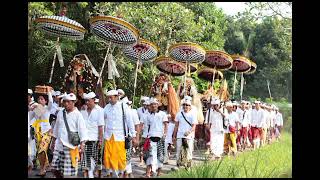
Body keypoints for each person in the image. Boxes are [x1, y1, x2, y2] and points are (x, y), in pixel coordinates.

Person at [50, 93, 88, 178]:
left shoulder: (78, 115)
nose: (66, 104)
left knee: (69, 173)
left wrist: (82, 144)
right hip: (59, 145)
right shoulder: (60, 112)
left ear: (73, 102)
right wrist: (53, 142)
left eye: (68, 102)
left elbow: (82, 130)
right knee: (54, 168)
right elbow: (56, 127)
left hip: (70, 146)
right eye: (65, 102)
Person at [103, 89, 137, 178]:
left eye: (111, 98)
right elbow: (101, 119)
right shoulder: (106, 107)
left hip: (120, 137)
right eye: (108, 98)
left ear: (117, 97)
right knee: (108, 158)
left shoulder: (123, 106)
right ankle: (112, 174)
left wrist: (133, 135)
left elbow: (130, 121)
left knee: (120, 158)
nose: (109, 99)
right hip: (108, 137)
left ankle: (120, 174)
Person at [29, 87, 54, 176]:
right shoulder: (36, 108)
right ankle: (42, 170)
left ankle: (44, 167)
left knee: (42, 150)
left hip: (47, 131)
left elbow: (51, 102)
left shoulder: (48, 108)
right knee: (39, 152)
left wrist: (49, 92)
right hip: (38, 132)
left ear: (45, 101)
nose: (40, 100)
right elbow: (31, 116)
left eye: (42, 99)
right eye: (39, 99)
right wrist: (31, 107)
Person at [80, 92, 104, 178]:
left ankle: (92, 174)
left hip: (95, 139)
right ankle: (89, 175)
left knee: (95, 160)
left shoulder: (100, 110)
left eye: (88, 101)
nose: (87, 103)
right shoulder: (82, 111)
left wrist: (100, 140)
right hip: (84, 139)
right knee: (85, 160)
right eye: (85, 101)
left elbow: (101, 126)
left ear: (94, 100)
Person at [145, 98, 168, 177]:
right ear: (150, 106)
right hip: (151, 137)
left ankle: (158, 173)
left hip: (160, 137)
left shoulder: (162, 114)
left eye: (155, 104)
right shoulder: (148, 115)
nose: (153, 105)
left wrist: (165, 134)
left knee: (160, 156)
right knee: (151, 155)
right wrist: (146, 137)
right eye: (152, 104)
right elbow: (147, 126)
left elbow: (165, 124)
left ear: (157, 105)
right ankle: (150, 172)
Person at [173, 98, 197, 169]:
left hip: (189, 136)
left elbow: (194, 126)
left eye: (187, 105)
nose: (185, 106)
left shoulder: (193, 114)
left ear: (190, 106)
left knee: (189, 152)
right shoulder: (178, 114)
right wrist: (174, 136)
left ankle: (188, 167)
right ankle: (178, 166)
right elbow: (176, 126)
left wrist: (189, 132)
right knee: (179, 151)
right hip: (180, 135)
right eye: (184, 105)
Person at [123, 99, 141, 178]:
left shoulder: (133, 112)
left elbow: (137, 125)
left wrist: (136, 138)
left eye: (128, 103)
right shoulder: (120, 111)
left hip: (129, 137)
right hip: (119, 137)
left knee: (127, 155)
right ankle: (128, 172)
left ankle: (128, 172)